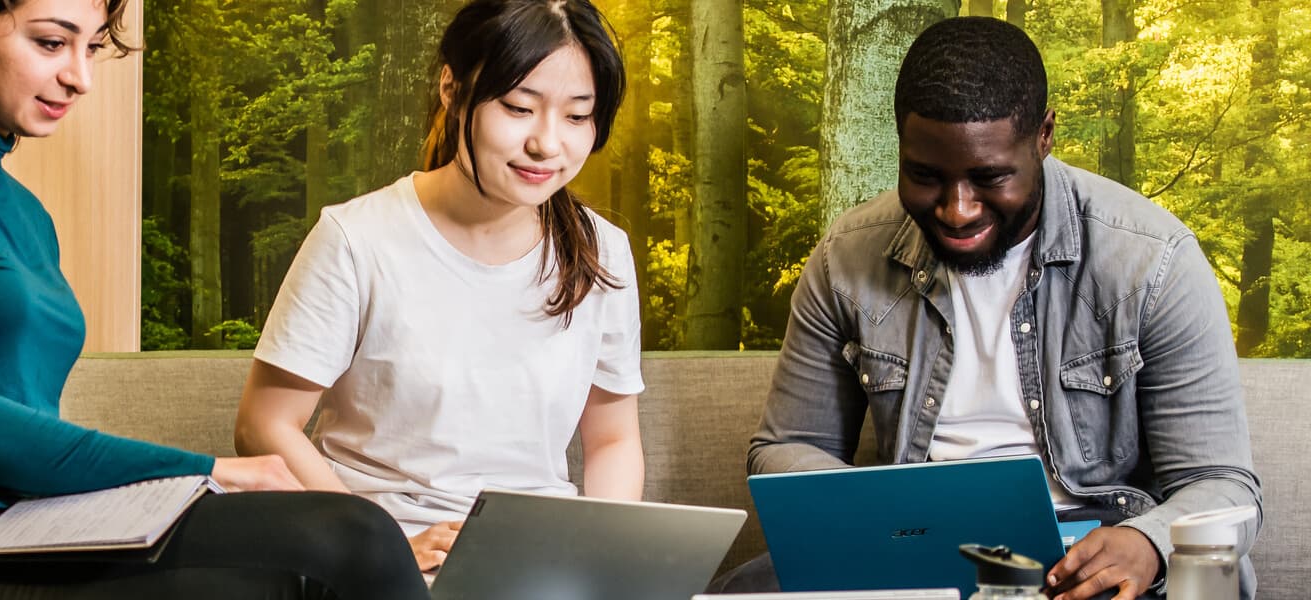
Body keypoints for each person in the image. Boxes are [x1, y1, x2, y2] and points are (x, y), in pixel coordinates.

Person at [0, 1, 427, 598]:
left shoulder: (25, 212)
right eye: (50, 42)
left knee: (343, 534)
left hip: (27, 527)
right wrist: (211, 469)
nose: (79, 77)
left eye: (91, 48)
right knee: (355, 539)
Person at [739, 16, 1262, 600]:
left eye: (989, 177)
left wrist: (1148, 543)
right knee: (739, 590)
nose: (957, 210)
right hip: (915, 546)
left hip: (1091, 549)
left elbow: (1224, 485)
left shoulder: (1151, 260)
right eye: (925, 176)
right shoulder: (847, 256)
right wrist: (873, 515)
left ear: (1043, 136)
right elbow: (784, 447)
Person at [234, 0, 645, 575]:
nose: (548, 144)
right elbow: (263, 425)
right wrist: (377, 549)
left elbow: (613, 443)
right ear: (452, 89)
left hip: (540, 560)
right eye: (518, 107)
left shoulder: (601, 252)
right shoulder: (357, 239)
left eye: (578, 116)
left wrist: (606, 562)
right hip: (379, 557)